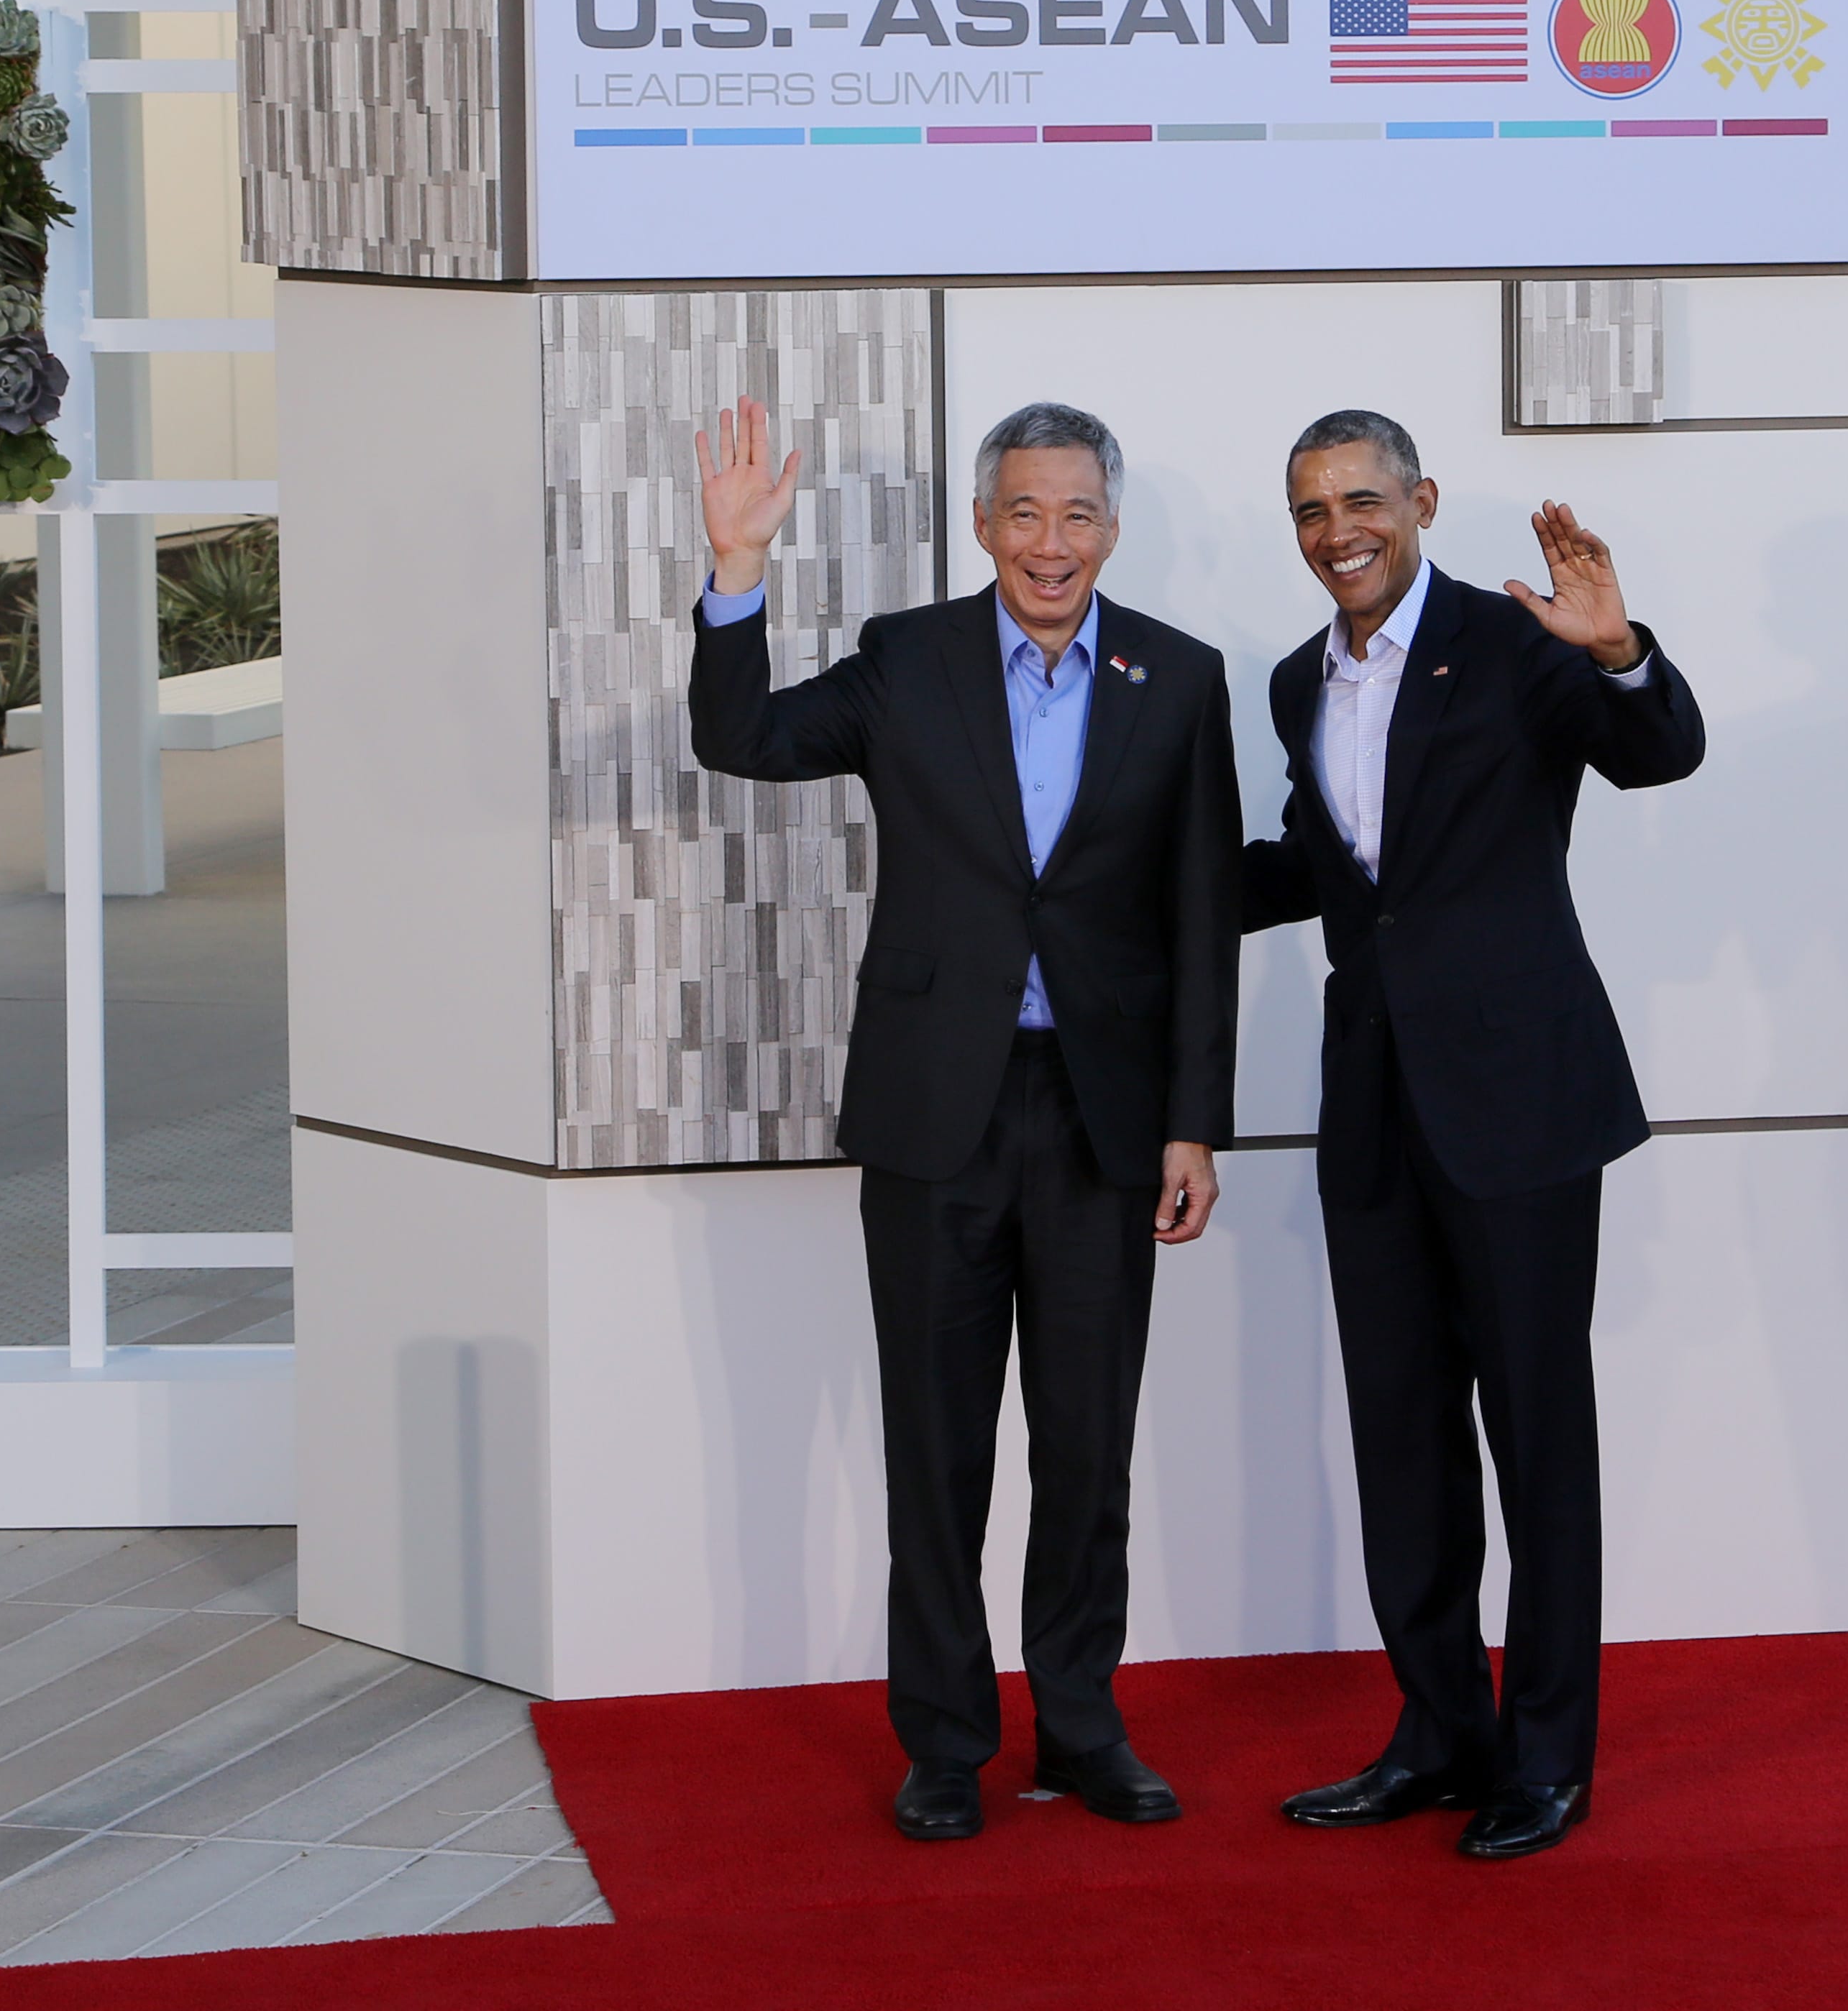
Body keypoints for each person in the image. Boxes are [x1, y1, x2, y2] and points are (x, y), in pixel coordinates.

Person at [689, 395, 1241, 1843]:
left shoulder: (1179, 680)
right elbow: (741, 735)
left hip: (1107, 1124)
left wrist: (1194, 1124)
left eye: (1076, 515)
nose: (1049, 542)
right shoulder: (909, 660)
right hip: (939, 1113)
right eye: (1023, 512)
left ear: (1111, 530)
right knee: (936, 1449)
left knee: (1087, 1446)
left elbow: (1199, 915)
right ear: (984, 525)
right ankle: (943, 1741)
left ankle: (1080, 1726)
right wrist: (735, 570)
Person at [1242, 411, 1703, 1861]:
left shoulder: (1518, 644)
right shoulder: (1288, 683)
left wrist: (1617, 650)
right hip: (1373, 1102)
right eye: (1312, 510)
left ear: (1422, 502)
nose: (1338, 532)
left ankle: (1549, 1759)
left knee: (1537, 1436)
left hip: (1518, 1096)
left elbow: (1660, 755)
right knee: (1404, 1440)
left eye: (1362, 500)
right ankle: (1439, 1732)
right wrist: (1109, 874)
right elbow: (1325, 879)